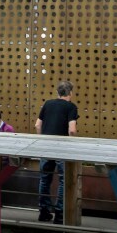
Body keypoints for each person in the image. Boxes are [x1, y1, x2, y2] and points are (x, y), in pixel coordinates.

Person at [34, 80, 78, 223]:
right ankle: (59, 214)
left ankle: (43, 212)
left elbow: (37, 125)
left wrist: (42, 140)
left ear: (57, 93)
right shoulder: (71, 107)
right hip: (62, 148)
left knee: (44, 179)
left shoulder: (47, 104)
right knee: (63, 180)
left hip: (46, 147)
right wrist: (72, 144)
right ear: (70, 93)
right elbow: (72, 130)